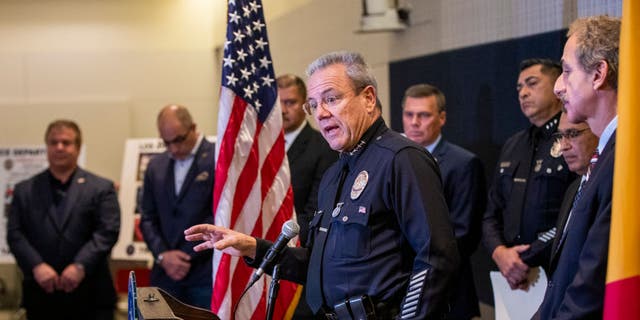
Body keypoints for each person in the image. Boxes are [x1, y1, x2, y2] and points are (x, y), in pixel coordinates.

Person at [185, 51, 459, 319]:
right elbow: (317, 265)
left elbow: (436, 257)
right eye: (314, 105)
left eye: (331, 99)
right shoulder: (334, 174)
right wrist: (253, 247)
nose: (322, 113)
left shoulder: (402, 159)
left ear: (368, 98)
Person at [536, 15, 620, 319]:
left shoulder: (624, 161)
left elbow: (590, 289)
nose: (558, 87)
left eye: (567, 71)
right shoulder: (606, 158)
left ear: (598, 73)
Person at [7, 119, 120, 320]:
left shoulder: (101, 188)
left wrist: (79, 265)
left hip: (91, 294)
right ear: (47, 147)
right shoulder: (25, 190)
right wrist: (36, 266)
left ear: (77, 148)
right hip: (41, 295)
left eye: (66, 142)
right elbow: (15, 234)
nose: (59, 147)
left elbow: (107, 231)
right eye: (53, 142)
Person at [482, 58, 577, 290]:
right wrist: (499, 252)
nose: (523, 93)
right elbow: (491, 212)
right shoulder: (513, 144)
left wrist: (523, 259)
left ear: (557, 86)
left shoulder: (575, 138)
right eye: (519, 88)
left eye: (532, 84)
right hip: (511, 274)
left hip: (559, 272)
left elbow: (575, 212)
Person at [402, 83, 486, 319]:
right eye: (409, 114)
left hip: (448, 288)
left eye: (424, 115)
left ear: (441, 118)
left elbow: (464, 234)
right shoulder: (395, 162)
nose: (414, 122)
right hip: (401, 287)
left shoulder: (463, 164)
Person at [140, 104, 215, 309]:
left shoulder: (218, 157)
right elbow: (147, 217)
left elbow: (221, 214)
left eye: (179, 140)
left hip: (204, 271)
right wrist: (164, 256)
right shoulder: (156, 166)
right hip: (164, 273)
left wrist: (186, 256)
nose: (173, 149)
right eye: (166, 143)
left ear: (193, 128)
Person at [277, 74, 337, 319]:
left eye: (290, 103)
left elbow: (314, 210)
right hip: (266, 252)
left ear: (305, 105)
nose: (282, 110)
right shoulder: (261, 147)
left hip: (299, 255)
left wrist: (279, 241)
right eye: (277, 103)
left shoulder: (322, 146)